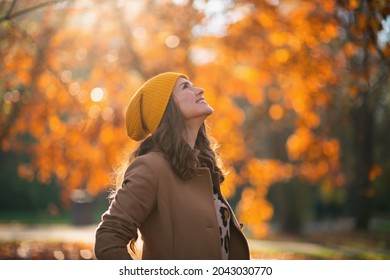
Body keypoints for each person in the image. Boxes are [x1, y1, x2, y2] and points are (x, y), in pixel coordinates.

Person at [94, 72, 250, 260]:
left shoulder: (202, 168)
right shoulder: (151, 167)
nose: (200, 90)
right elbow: (108, 238)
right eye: (186, 87)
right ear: (167, 109)